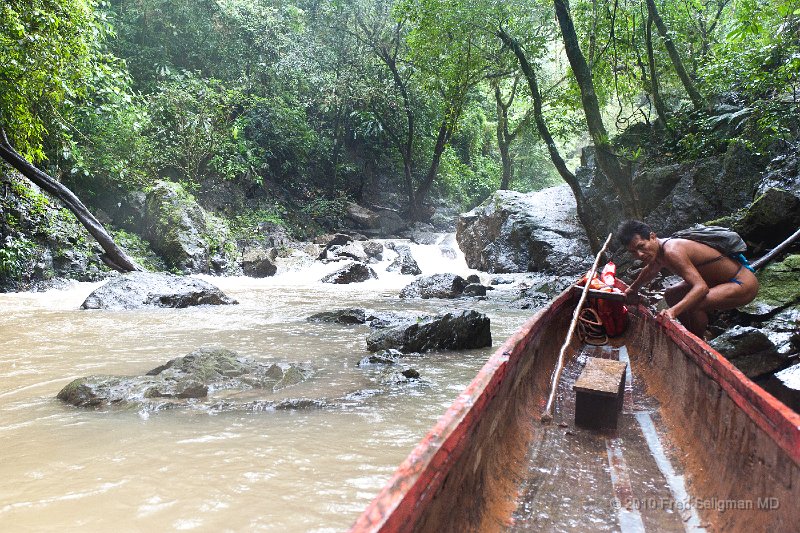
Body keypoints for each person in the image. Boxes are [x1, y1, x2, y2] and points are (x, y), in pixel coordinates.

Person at [615, 220, 759, 338]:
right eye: (633, 252)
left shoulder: (672, 251)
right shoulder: (657, 252)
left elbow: (701, 288)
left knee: (695, 303)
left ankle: (699, 340)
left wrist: (672, 312)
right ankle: (693, 333)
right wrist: (632, 289)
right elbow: (651, 269)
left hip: (742, 283)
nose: (639, 254)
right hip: (717, 282)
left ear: (652, 236)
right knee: (671, 294)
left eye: (641, 246)